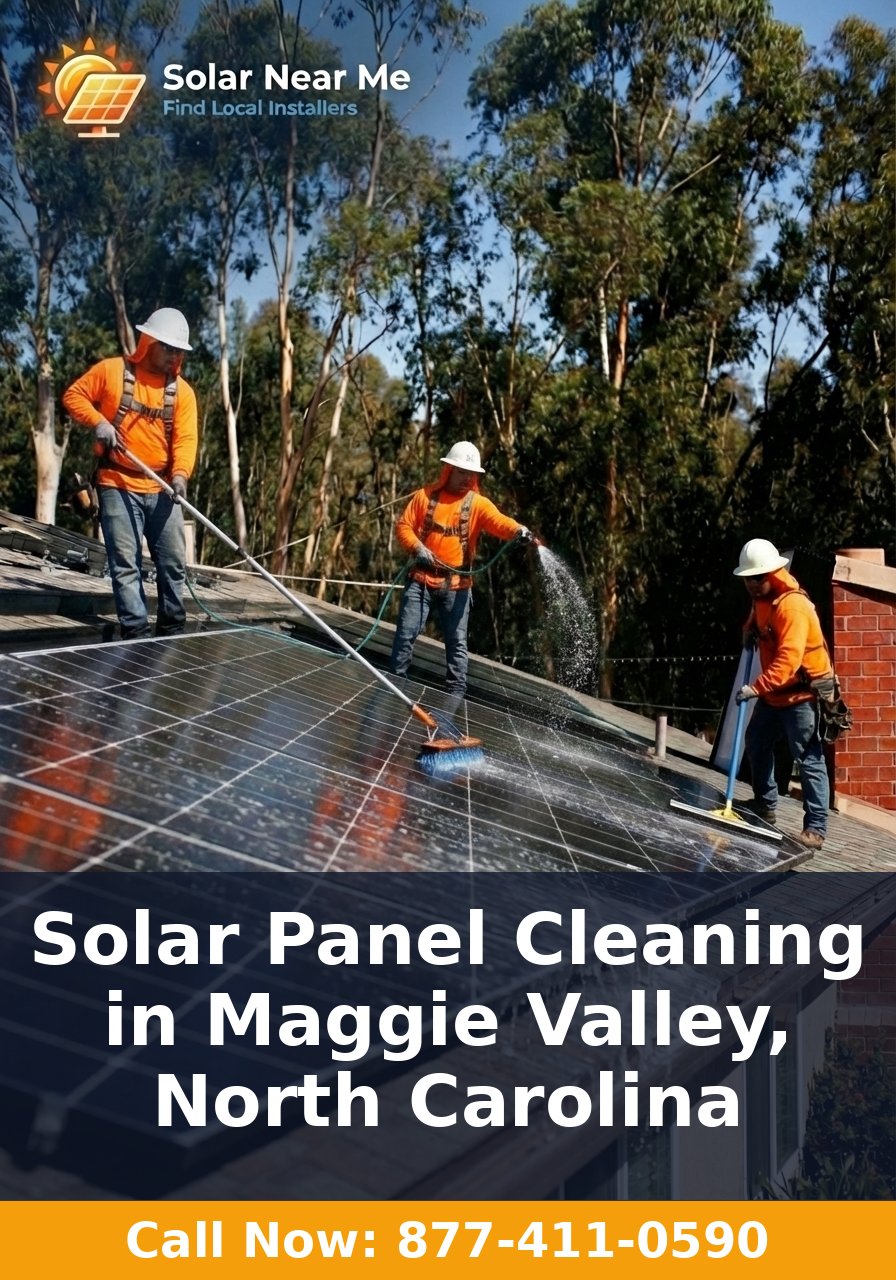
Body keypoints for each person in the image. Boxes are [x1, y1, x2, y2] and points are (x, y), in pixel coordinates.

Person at [63, 308, 198, 639]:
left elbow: (186, 439)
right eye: (168, 347)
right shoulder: (112, 372)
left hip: (163, 488)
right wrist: (99, 422)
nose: (174, 356)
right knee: (126, 563)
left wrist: (180, 476)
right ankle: (137, 635)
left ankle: (171, 632)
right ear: (148, 342)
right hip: (117, 482)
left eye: (179, 350)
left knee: (173, 564)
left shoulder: (182, 393)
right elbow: (73, 396)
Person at [390, 441, 533, 696]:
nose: (467, 478)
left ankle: (456, 695)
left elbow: (499, 522)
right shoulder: (424, 496)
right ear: (448, 470)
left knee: (457, 643)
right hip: (421, 580)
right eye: (461, 472)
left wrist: (518, 530)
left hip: (457, 586)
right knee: (406, 633)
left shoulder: (477, 504)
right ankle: (394, 684)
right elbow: (404, 526)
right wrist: (417, 547)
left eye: (471, 474)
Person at [732, 538, 833, 850]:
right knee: (757, 741)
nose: (751, 583)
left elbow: (789, 661)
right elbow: (757, 618)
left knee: (808, 757)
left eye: (756, 577)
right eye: (747, 578)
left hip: (801, 695)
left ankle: (816, 828)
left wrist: (755, 688)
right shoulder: (762, 596)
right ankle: (764, 804)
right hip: (775, 693)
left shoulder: (792, 607)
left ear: (772, 574)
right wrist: (748, 629)